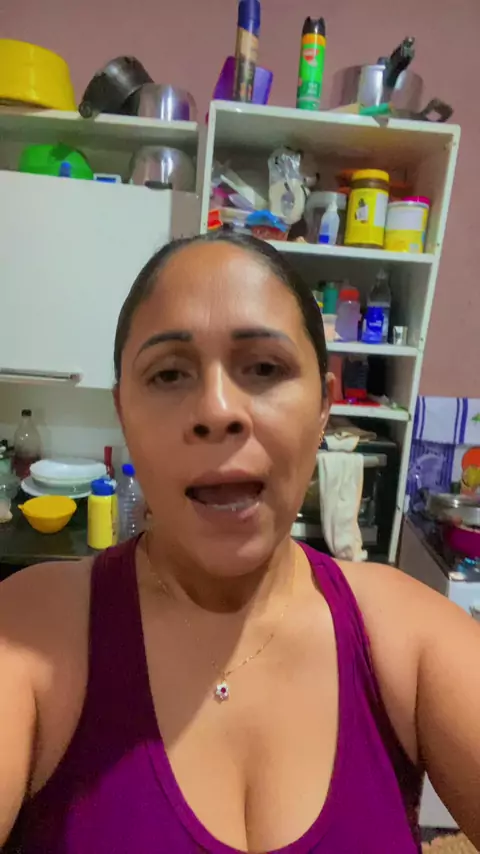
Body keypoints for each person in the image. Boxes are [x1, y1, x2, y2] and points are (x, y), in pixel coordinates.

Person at [1, 232, 479, 854]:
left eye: (264, 368)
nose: (218, 409)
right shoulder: (31, 634)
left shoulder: (407, 638)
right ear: (124, 413)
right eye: (169, 373)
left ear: (323, 407)